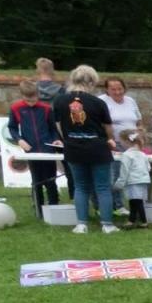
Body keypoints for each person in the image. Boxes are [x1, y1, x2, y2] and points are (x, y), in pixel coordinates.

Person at [50, 65, 118, 234]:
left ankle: (81, 224)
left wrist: (69, 138)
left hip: (73, 147)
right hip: (98, 148)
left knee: (80, 186)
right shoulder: (98, 102)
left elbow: (58, 125)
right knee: (102, 187)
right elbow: (108, 128)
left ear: (72, 80)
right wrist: (109, 139)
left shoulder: (60, 101)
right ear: (92, 82)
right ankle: (107, 224)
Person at [9, 79, 61, 210]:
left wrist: (56, 140)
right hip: (31, 150)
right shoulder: (16, 108)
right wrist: (19, 139)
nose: (31, 103)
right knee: (36, 180)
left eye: (33, 99)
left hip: (48, 149)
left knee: (51, 179)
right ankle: (38, 207)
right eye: (28, 100)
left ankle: (54, 205)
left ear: (38, 95)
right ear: (22, 96)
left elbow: (53, 129)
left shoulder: (46, 109)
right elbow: (12, 127)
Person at [116, 129, 152, 228]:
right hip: (143, 180)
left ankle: (144, 222)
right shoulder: (143, 154)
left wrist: (119, 184)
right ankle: (131, 221)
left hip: (133, 181)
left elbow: (124, 171)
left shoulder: (127, 155)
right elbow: (148, 167)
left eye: (122, 142)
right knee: (134, 201)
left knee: (137, 202)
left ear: (127, 142)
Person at [100, 78, 142, 147]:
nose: (117, 92)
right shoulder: (101, 101)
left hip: (133, 143)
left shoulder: (130, 100)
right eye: (113, 89)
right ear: (107, 90)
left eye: (120, 89)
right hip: (113, 144)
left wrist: (139, 135)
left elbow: (139, 122)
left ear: (124, 88)